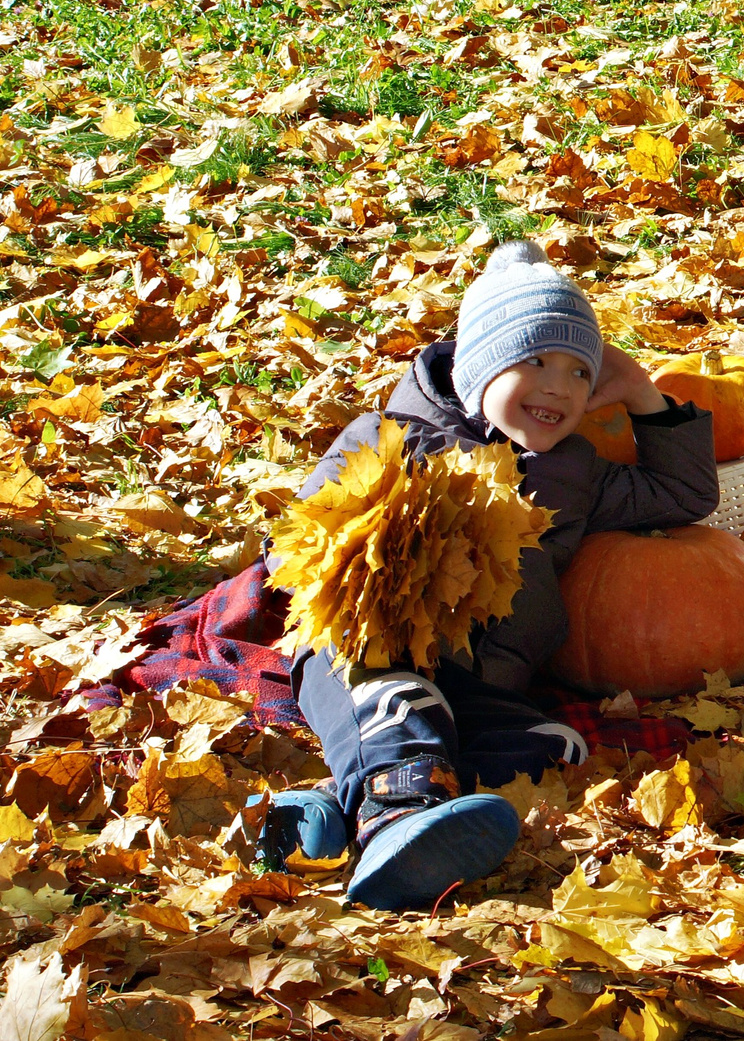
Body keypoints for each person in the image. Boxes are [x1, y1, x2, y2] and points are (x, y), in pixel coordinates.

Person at [251, 242, 717, 908]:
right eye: (534, 360)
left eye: (580, 373)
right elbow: (297, 547)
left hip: (486, 681)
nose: (559, 386)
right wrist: (365, 570)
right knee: (396, 709)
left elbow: (684, 492)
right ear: (479, 365)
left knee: (545, 748)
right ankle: (396, 822)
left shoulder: (573, 473)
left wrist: (642, 389)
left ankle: (327, 812)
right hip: (370, 652)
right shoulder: (390, 439)